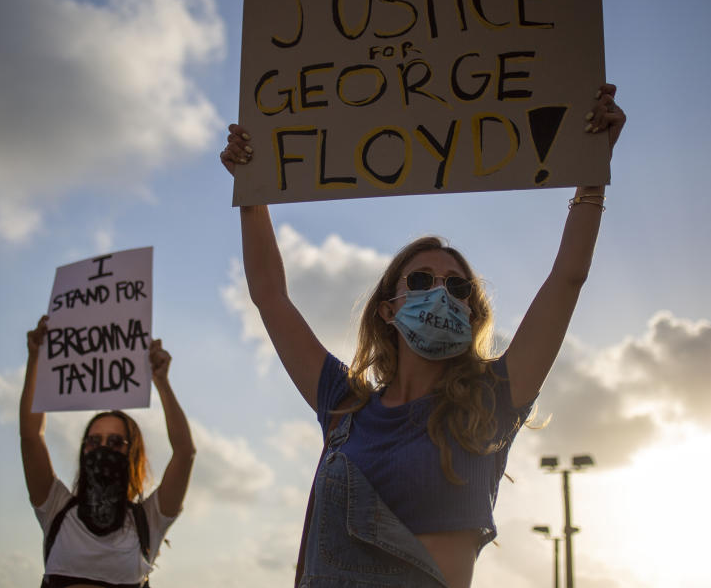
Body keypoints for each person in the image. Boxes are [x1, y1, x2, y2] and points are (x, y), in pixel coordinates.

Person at [220, 84, 626, 588]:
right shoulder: (344, 405)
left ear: (472, 312)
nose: (440, 293)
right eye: (420, 281)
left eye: (456, 286)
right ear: (388, 309)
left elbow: (567, 277)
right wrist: (251, 190)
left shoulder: (492, 400)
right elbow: (270, 295)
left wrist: (592, 175)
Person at [20, 316, 196, 588]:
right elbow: (31, 436)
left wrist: (161, 382)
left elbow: (184, 453)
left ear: (132, 455)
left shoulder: (148, 521)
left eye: (115, 443)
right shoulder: (56, 508)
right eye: (93, 441)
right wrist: (36, 359)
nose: (102, 449)